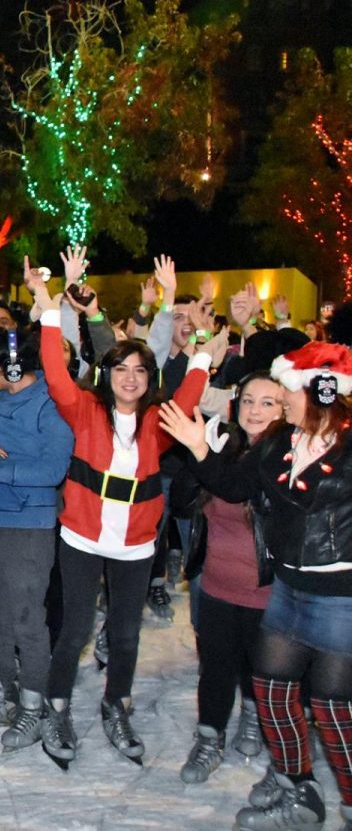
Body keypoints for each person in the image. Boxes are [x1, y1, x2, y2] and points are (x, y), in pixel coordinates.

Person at [27, 257, 214, 770]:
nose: (130, 378)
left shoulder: (159, 420)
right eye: (120, 369)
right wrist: (47, 309)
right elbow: (53, 369)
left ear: (148, 378)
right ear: (106, 374)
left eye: (139, 370)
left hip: (135, 542)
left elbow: (193, 389)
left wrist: (192, 335)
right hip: (83, 537)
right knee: (75, 628)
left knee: (126, 632)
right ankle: (57, 705)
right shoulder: (84, 408)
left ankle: (116, 703)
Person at [160, 342, 352, 831]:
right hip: (288, 588)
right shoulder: (280, 442)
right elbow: (232, 486)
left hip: (338, 596)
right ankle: (298, 788)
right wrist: (198, 446)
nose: (283, 400)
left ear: (322, 391)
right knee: (271, 693)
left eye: (289, 390)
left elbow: (310, 503)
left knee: (332, 709)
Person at [0, 327, 74, 753]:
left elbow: (52, 471)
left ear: (11, 367)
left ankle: (31, 703)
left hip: (30, 524)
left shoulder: (50, 405)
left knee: (27, 617)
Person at [170, 372, 282, 785]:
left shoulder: (286, 455)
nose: (255, 410)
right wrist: (198, 456)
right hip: (216, 583)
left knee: (263, 668)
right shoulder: (221, 444)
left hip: (268, 591)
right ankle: (209, 737)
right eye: (248, 400)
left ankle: (253, 719)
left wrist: (204, 456)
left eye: (268, 402)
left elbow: (239, 490)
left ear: (286, 409)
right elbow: (181, 504)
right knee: (215, 668)